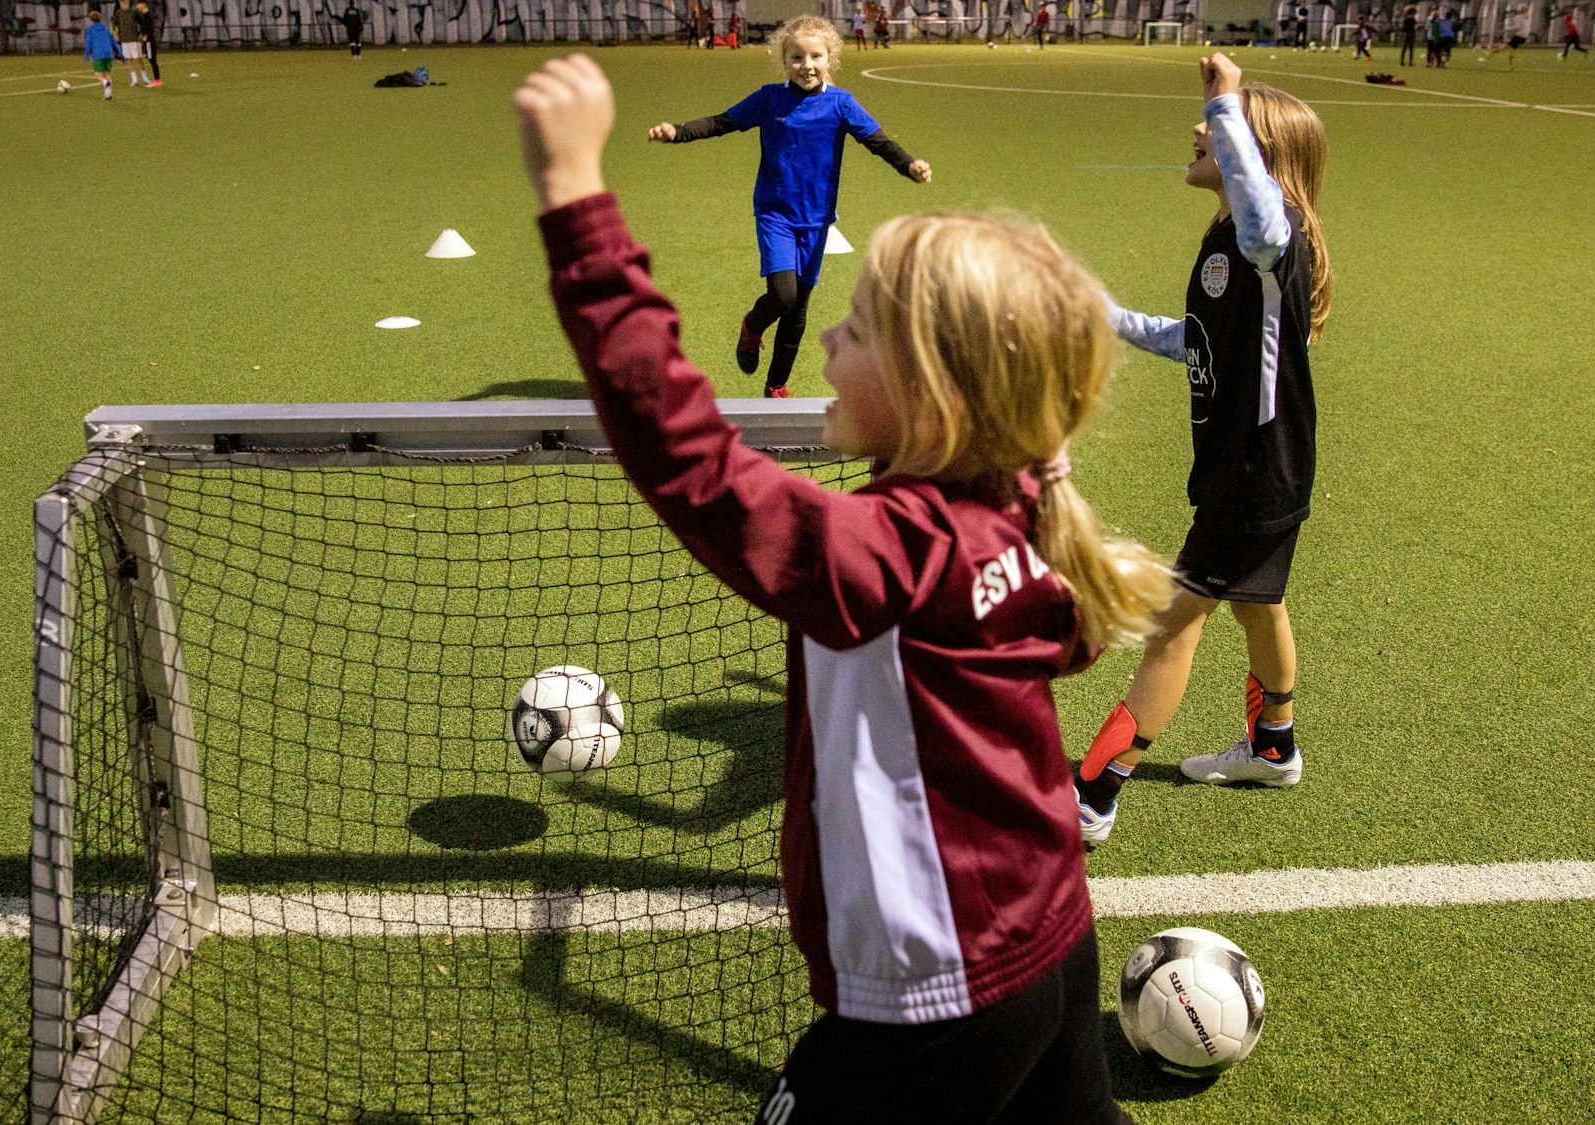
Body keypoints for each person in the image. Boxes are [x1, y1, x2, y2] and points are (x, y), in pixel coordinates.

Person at [516, 50, 1170, 1125]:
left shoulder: (891, 552)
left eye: (855, 329)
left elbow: (689, 460)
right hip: (1054, 939)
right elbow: (1063, 642)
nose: (824, 336)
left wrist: (578, 205)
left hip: (937, 995)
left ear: (930, 390)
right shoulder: (1016, 504)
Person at [1073, 53, 1333, 842]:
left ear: (1256, 158)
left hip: (1252, 476)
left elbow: (1265, 213)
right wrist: (1104, 314)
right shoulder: (1229, 244)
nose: (1199, 127)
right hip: (1260, 471)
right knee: (1259, 604)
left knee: (1172, 628)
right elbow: (1194, 339)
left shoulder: (1266, 237)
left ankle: (1090, 794)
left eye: (1221, 126)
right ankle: (1274, 746)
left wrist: (1226, 102)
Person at [647, 15, 931, 398]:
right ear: (784, 61)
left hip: (817, 221)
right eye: (796, 57)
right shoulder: (769, 99)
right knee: (783, 296)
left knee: (798, 310)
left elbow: (877, 141)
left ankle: (775, 385)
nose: (806, 66)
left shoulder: (841, 104)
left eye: (815, 56)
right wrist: (677, 132)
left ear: (830, 59)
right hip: (775, 214)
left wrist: (909, 166)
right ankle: (752, 325)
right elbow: (722, 122)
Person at [112, 2, 149, 87]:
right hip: (124, 40)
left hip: (134, 39)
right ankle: (134, 79)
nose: (123, 5)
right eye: (122, 3)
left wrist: (141, 33)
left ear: (128, 2)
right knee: (129, 59)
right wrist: (115, 34)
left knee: (139, 58)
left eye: (125, 3)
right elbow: (113, 23)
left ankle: (145, 78)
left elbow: (142, 22)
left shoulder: (134, 11)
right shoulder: (118, 12)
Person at [82, 10, 117, 99]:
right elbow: (112, 41)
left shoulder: (90, 30)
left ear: (91, 19)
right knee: (107, 74)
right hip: (108, 54)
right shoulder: (106, 28)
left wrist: (86, 55)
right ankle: (108, 95)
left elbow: (88, 43)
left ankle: (105, 83)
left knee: (98, 75)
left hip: (98, 54)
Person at [136, 0, 162, 85]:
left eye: (138, 4)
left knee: (152, 60)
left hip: (149, 41)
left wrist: (146, 35)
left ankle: (157, 80)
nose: (137, 6)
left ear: (143, 5)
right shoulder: (144, 15)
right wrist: (142, 34)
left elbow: (151, 27)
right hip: (148, 41)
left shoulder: (147, 15)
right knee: (151, 59)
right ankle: (156, 79)